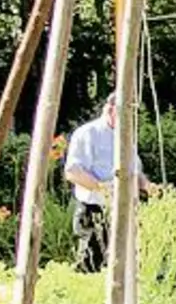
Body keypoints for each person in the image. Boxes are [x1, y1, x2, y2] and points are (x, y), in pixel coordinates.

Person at [63, 94, 158, 273]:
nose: (132, 118)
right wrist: (103, 188)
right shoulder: (87, 133)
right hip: (94, 210)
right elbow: (73, 172)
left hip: (123, 209)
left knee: (124, 265)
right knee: (91, 264)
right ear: (111, 109)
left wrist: (148, 186)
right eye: (128, 111)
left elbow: (135, 171)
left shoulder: (126, 136)